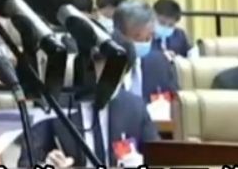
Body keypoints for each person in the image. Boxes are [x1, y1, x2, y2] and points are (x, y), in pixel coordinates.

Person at [23, 34, 159, 168]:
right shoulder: (54, 105)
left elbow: (160, 159)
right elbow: (26, 162)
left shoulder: (135, 107)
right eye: (98, 62)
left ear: (125, 72)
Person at [113, 0, 178, 100]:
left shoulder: (160, 63)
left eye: (149, 37)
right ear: (119, 35)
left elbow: (173, 100)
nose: (144, 43)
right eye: (136, 37)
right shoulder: (103, 67)